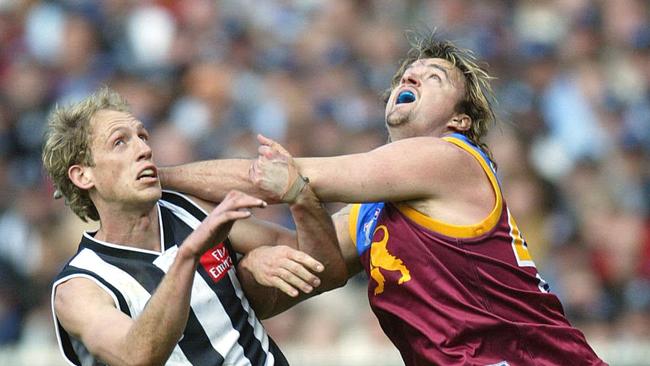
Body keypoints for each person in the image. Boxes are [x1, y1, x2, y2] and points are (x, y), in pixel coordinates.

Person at [160, 31, 607, 365]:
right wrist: (212, 225)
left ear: (461, 120)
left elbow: (278, 179)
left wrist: (157, 177)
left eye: (434, 77)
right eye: (406, 74)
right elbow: (304, 255)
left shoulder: (448, 158)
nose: (411, 76)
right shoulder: (374, 211)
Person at [42, 87, 347, 366]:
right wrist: (188, 255)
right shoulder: (79, 287)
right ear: (83, 176)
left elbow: (324, 267)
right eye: (120, 142)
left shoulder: (188, 209)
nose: (144, 149)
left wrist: (298, 197)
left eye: (143, 137)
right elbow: (137, 356)